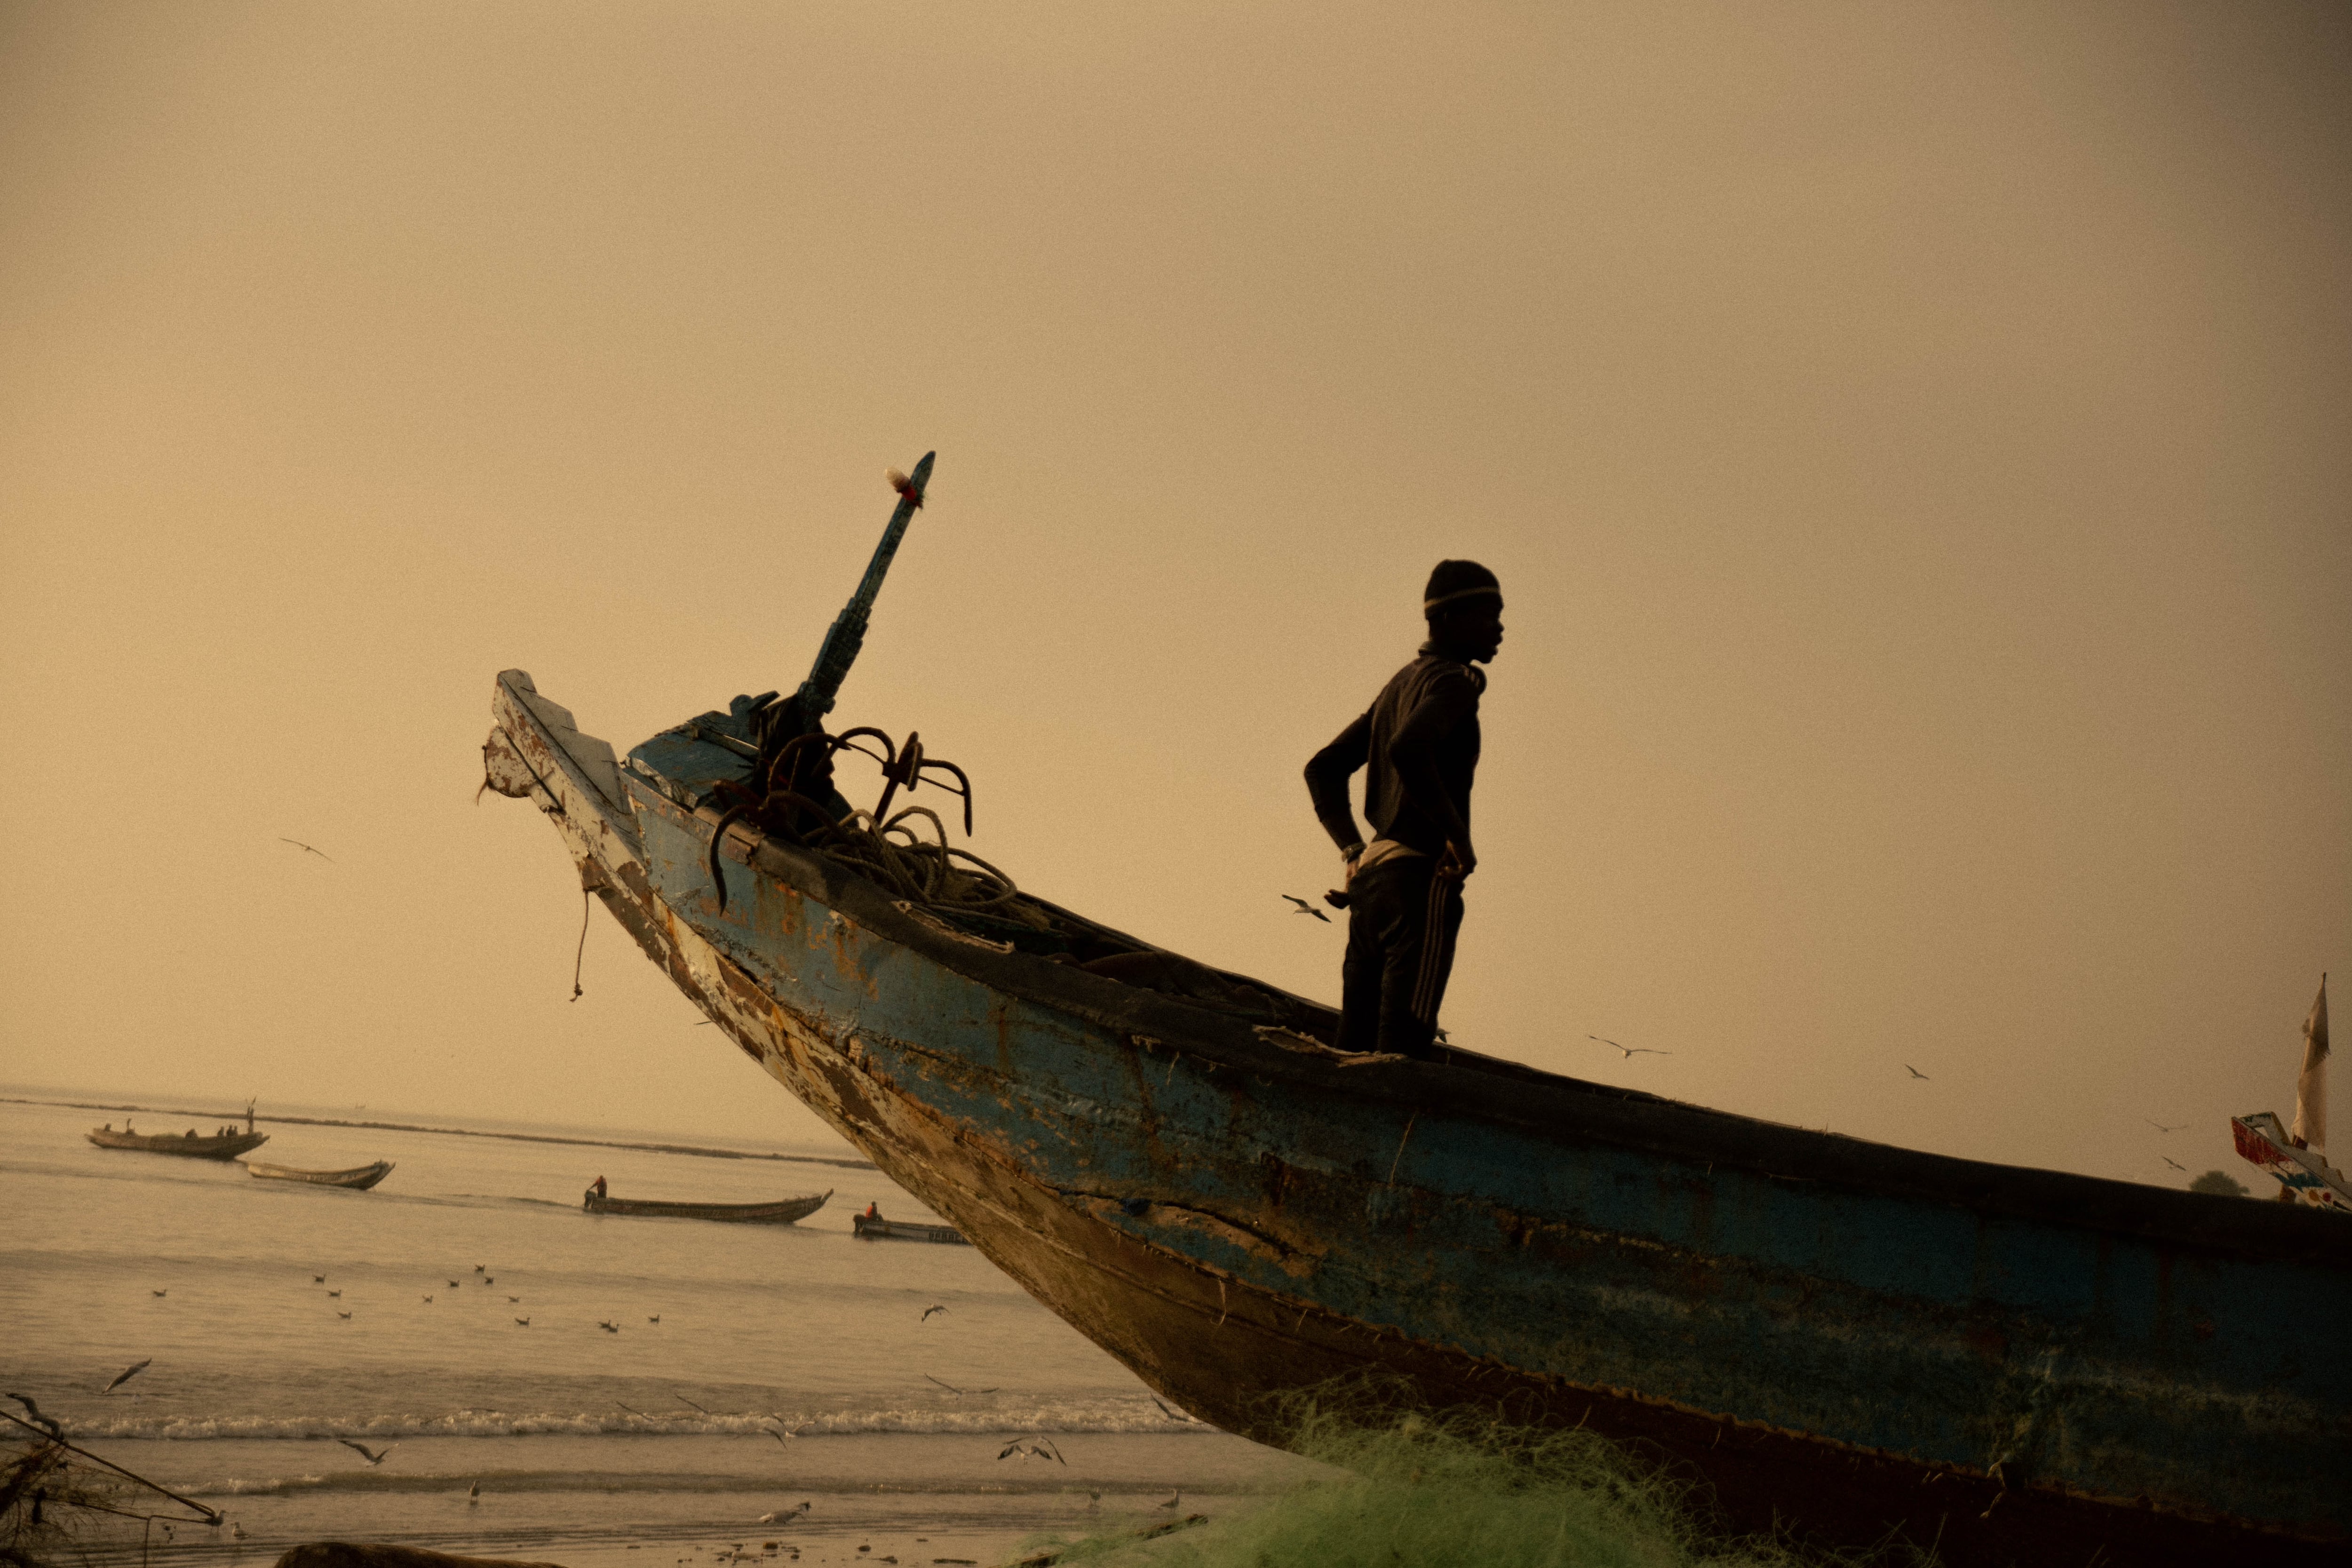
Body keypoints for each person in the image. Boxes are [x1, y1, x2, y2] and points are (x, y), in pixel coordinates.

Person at [1305, 560, 1504, 1059]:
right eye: (1487, 613)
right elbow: (1408, 749)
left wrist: (1352, 852)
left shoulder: (1400, 683)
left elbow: (1322, 768)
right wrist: (1458, 840)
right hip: (1418, 883)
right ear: (1446, 620)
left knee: (1352, 1050)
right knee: (1402, 1052)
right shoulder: (1454, 682)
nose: (1499, 627)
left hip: (1371, 887)